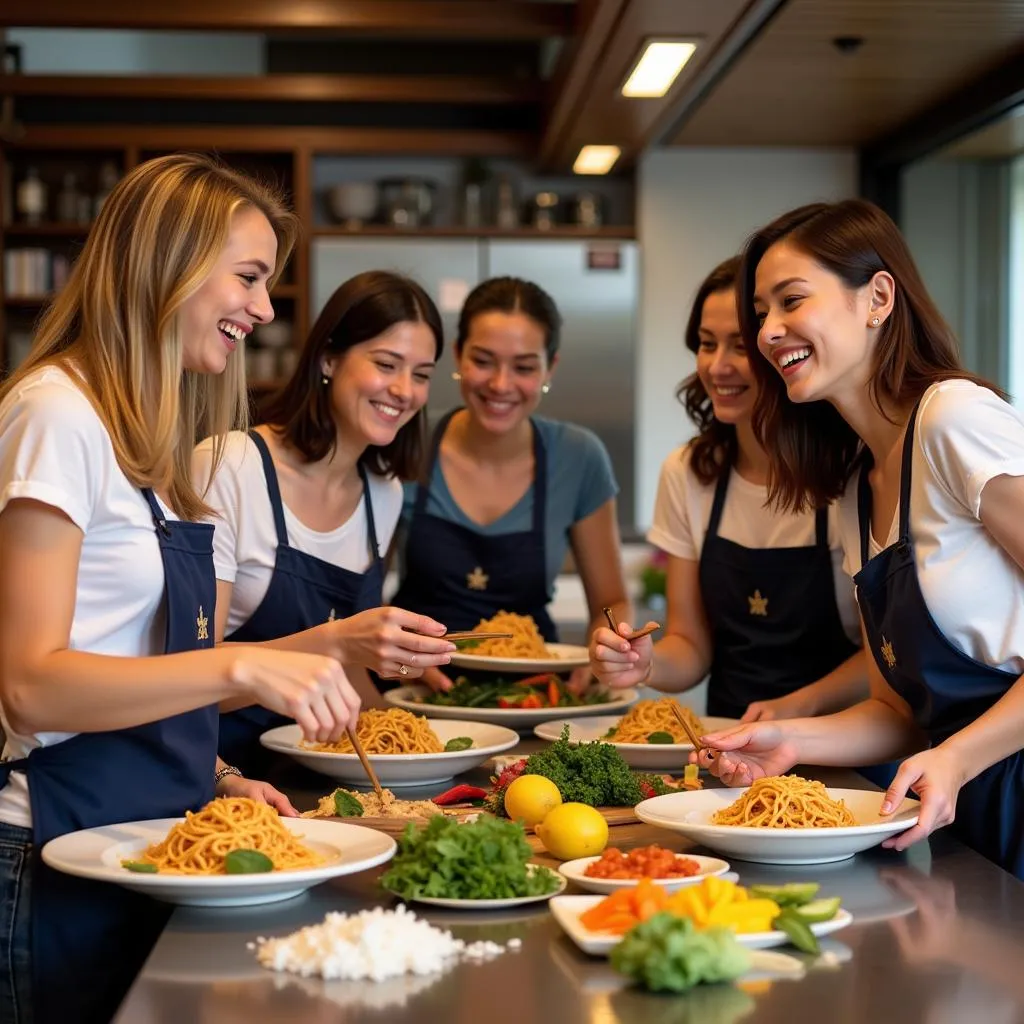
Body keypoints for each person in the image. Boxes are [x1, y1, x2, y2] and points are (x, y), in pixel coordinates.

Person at [0, 153, 361, 1024]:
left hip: (139, 842)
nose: (266, 309)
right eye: (248, 277)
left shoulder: (150, 445)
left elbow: (125, 657)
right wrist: (238, 669)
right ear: (167, 264)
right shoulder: (54, 414)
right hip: (48, 850)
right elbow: (30, 684)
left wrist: (212, 770)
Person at [695, 198, 1024, 879]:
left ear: (877, 297)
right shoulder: (858, 482)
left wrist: (958, 755)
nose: (768, 332)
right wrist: (786, 740)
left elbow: (945, 739)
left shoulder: (953, 419)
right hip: (983, 816)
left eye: (791, 301)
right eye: (762, 313)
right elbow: (897, 713)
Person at [194, 271, 456, 782]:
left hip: (329, 778)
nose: (404, 391)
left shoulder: (383, 493)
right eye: (386, 364)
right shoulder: (230, 468)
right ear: (328, 359)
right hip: (223, 778)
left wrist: (430, 739)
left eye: (422, 374)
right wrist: (338, 640)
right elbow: (188, 675)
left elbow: (353, 675)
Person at [589, 257, 865, 721]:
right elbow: (691, 645)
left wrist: (796, 710)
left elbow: (886, 658)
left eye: (739, 346)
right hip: (731, 750)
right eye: (706, 344)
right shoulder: (689, 473)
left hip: (847, 751)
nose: (717, 367)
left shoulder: (851, 472)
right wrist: (644, 661)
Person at [392, 276, 630, 692]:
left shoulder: (579, 456)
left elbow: (611, 602)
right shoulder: (405, 441)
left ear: (549, 368)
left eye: (523, 367)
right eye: (483, 361)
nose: (501, 385)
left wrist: (602, 654)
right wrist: (400, 662)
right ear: (457, 356)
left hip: (536, 693)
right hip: (417, 691)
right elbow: (359, 598)